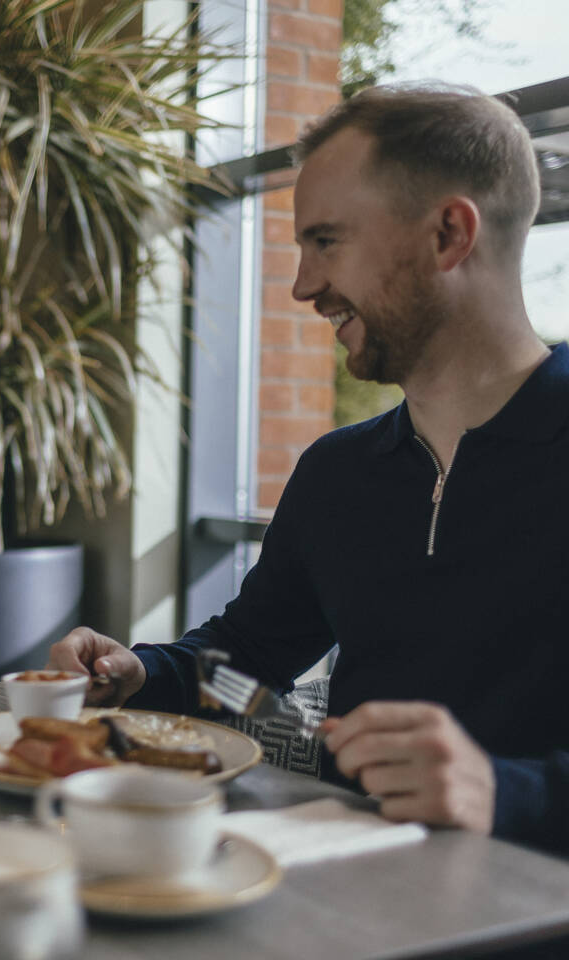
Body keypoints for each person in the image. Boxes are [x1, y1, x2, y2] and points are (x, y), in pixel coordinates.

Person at [49, 83, 569, 855]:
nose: (303, 285)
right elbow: (244, 669)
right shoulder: (338, 473)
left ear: (449, 235)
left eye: (326, 242)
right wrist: (144, 673)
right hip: (337, 879)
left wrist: (504, 791)